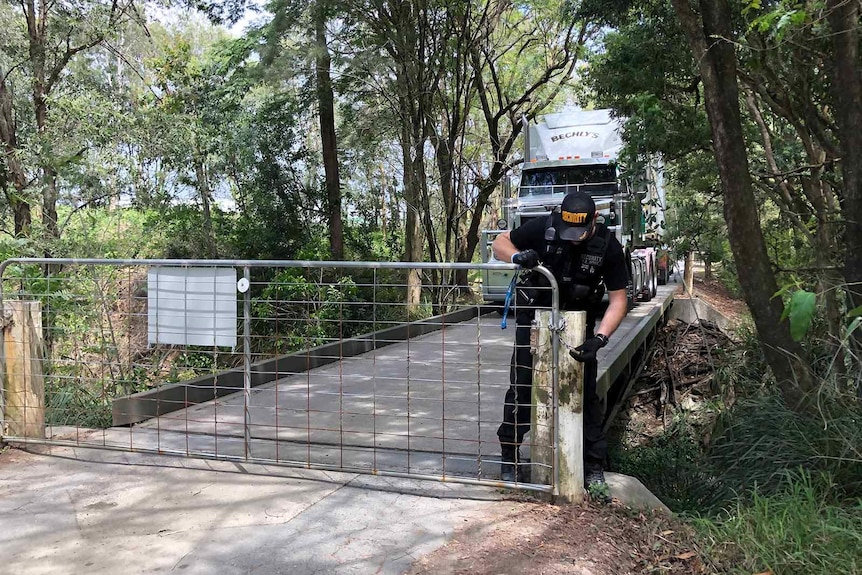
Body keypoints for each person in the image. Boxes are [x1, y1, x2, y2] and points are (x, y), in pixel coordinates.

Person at [492, 191, 629, 488]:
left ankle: (592, 465)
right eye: (569, 231)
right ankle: (510, 455)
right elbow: (499, 243)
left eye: (580, 232)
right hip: (534, 321)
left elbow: (619, 299)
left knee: (584, 393)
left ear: (594, 220)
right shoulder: (544, 227)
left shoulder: (608, 246)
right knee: (522, 386)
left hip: (579, 325)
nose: (574, 238)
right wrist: (517, 256)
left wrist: (601, 339)